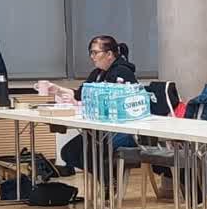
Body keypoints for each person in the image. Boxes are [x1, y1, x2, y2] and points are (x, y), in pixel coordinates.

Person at [38, 36, 138, 175]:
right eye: (91, 53)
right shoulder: (97, 73)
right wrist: (57, 90)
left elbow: (116, 104)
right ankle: (105, 178)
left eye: (95, 52)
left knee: (90, 154)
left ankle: (109, 181)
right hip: (101, 129)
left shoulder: (122, 72)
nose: (92, 57)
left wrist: (81, 103)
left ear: (109, 54)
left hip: (122, 130)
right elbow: (79, 95)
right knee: (69, 152)